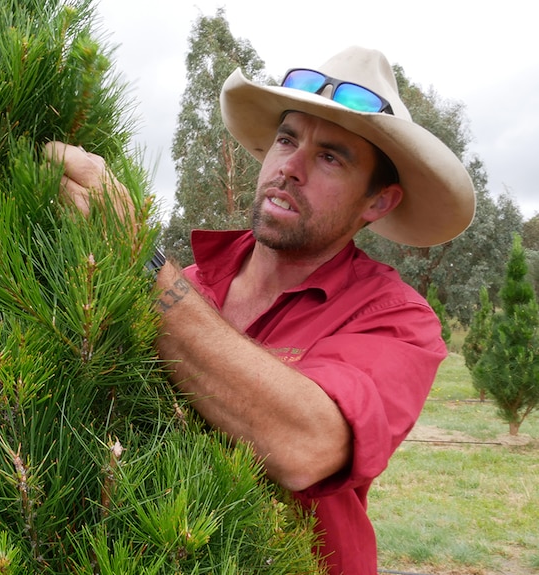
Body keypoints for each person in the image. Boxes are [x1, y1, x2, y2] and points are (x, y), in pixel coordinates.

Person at [46, 46, 476, 575]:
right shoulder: (190, 285)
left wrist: (140, 261)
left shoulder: (395, 318)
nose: (290, 167)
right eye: (287, 139)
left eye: (330, 157)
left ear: (378, 203)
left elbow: (306, 446)